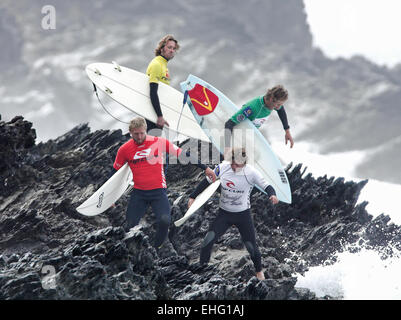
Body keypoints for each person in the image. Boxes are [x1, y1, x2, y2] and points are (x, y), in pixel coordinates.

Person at [113, 116, 216, 248]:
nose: (139, 137)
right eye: (135, 134)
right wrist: (111, 197)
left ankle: (156, 248)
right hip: (139, 193)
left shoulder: (159, 142)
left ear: (146, 130)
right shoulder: (124, 150)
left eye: (141, 133)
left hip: (158, 192)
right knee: (129, 225)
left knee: (165, 221)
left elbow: (184, 154)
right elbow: (115, 173)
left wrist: (206, 168)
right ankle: (130, 252)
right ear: (130, 132)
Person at [188, 148, 279, 280]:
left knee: (251, 246)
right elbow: (207, 181)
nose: (233, 166)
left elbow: (267, 186)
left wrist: (273, 195)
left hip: (243, 215)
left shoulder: (251, 173)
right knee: (207, 241)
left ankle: (259, 272)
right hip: (224, 214)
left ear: (244, 163)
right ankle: (202, 272)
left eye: (237, 165)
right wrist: (193, 196)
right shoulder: (223, 167)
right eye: (232, 163)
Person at [224, 85, 294, 156]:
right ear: (271, 99)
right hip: (235, 136)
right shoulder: (252, 108)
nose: (279, 107)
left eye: (281, 104)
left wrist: (287, 131)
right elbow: (229, 124)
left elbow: (281, 110)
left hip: (247, 136)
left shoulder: (271, 103)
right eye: (278, 104)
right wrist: (227, 148)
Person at [146, 34, 180, 136]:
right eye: (169, 47)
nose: (172, 50)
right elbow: (152, 91)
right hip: (152, 113)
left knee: (155, 146)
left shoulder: (164, 66)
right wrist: (159, 116)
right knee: (152, 146)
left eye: (174, 48)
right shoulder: (157, 64)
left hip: (157, 112)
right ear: (161, 49)